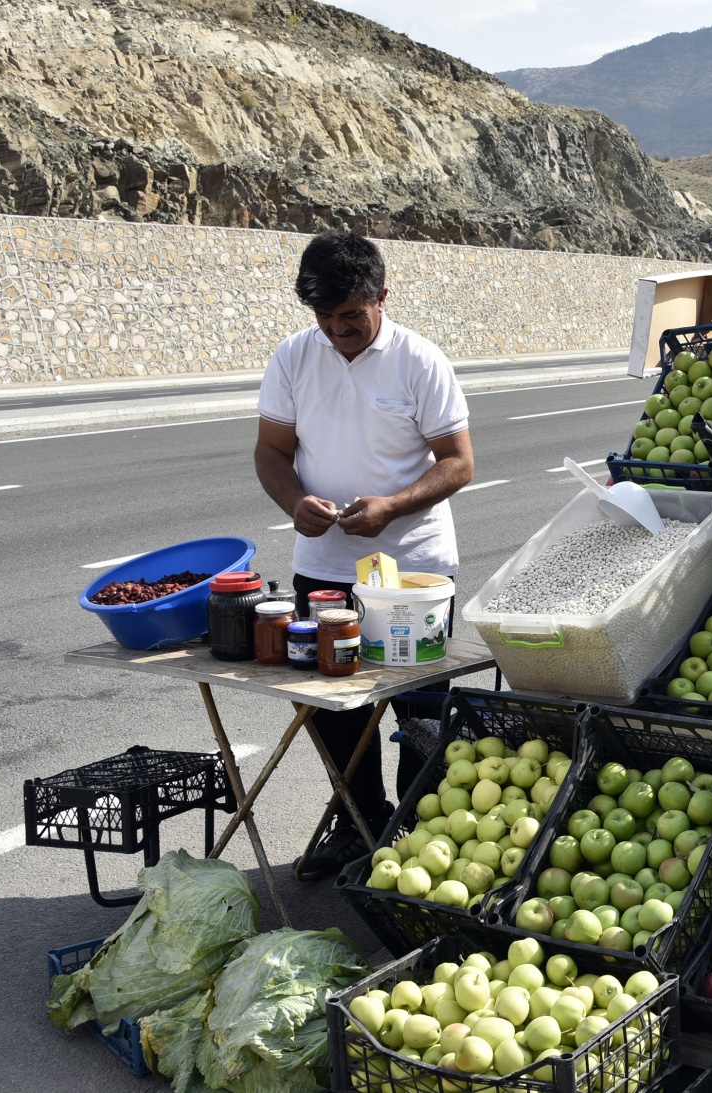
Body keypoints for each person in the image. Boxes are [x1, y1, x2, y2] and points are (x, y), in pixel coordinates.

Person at [254, 230, 474, 874]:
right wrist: (295, 502)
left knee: (420, 709)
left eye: (351, 314)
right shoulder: (294, 358)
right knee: (333, 706)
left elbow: (458, 464)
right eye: (324, 318)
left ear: (381, 296)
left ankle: (416, 836)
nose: (337, 329)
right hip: (322, 568)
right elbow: (271, 453)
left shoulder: (420, 361)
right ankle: (359, 821)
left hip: (415, 571)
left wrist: (393, 507)